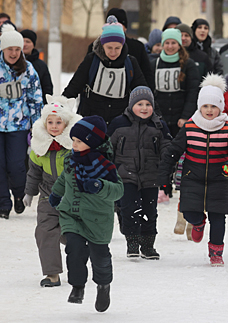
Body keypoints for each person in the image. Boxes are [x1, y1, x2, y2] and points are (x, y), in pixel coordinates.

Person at [156, 74, 228, 267]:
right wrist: (164, 178)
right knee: (189, 212)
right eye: (205, 106)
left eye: (213, 106)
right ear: (199, 107)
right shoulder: (190, 127)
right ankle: (197, 223)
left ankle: (216, 252)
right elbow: (172, 153)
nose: (209, 110)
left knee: (218, 219)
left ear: (220, 108)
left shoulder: (227, 129)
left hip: (219, 180)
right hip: (192, 179)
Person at [49, 116, 124, 312]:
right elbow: (64, 180)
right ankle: (78, 286)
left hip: (98, 219)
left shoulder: (105, 165)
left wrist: (100, 185)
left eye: (79, 141)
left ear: (91, 142)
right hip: (72, 214)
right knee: (74, 249)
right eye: (73, 140)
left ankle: (103, 285)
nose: (73, 144)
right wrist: (56, 194)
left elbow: (118, 190)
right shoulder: (70, 160)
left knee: (100, 257)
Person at [23, 95, 82, 287]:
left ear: (67, 124)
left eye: (59, 122)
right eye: (50, 122)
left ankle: (80, 252)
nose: (54, 126)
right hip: (48, 194)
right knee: (45, 231)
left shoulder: (74, 146)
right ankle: (52, 274)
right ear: (44, 123)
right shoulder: (39, 148)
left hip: (72, 195)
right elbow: (34, 173)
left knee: (71, 233)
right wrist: (29, 193)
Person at [108, 86, 171, 259]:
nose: (144, 108)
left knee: (150, 211)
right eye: (140, 104)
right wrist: (112, 169)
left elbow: (167, 147)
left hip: (150, 176)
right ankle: (133, 243)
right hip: (125, 175)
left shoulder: (158, 125)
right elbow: (108, 148)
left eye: (148, 104)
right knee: (130, 209)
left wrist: (166, 163)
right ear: (131, 106)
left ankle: (148, 245)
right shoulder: (119, 123)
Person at [63, 15, 147, 125]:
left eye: (117, 48)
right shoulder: (92, 60)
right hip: (91, 120)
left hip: (120, 122)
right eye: (109, 48)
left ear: (123, 45)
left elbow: (143, 92)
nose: (113, 52)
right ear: (102, 45)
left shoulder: (130, 63)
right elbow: (74, 87)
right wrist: (60, 109)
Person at [0, 24, 43, 219]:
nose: (14, 53)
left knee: (16, 165)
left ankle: (18, 194)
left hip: (19, 125)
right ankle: (3, 203)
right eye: (10, 49)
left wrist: (37, 124)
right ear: (3, 49)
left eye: (18, 49)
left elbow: (35, 98)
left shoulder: (28, 70)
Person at [87, 8, 154, 90]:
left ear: (125, 28)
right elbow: (85, 73)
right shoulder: (95, 47)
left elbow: (147, 75)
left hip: (129, 97)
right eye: (111, 24)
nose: (115, 27)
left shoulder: (137, 47)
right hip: (99, 96)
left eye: (118, 24)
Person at [150, 28, 199, 137]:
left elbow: (193, 92)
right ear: (163, 44)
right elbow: (150, 92)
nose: (170, 46)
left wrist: (186, 116)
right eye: (167, 43)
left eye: (173, 43)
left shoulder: (188, 64)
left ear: (179, 45)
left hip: (180, 120)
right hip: (159, 119)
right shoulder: (154, 64)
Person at [21, 29, 53, 103]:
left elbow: (47, 88)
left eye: (28, 42)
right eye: (22, 41)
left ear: (33, 45)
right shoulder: (10, 63)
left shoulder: (41, 66)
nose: (24, 44)